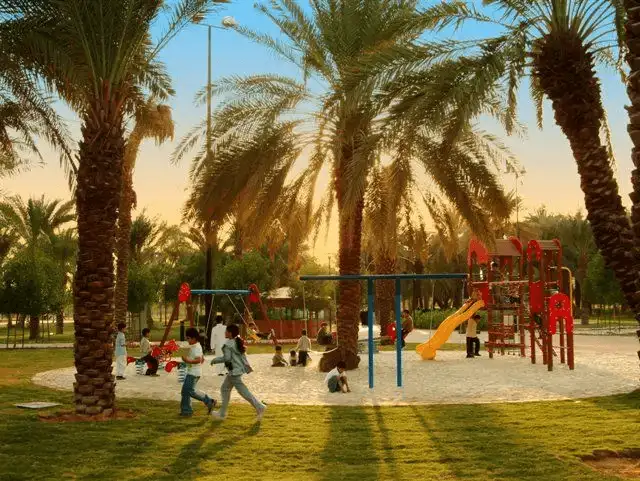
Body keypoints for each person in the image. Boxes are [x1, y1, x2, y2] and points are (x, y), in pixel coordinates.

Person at [210, 324, 267, 422]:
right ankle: (222, 413)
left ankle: (259, 406)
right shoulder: (237, 341)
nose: (225, 333)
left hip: (234, 372)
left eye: (226, 331)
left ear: (230, 333)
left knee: (242, 391)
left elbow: (227, 358)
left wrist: (215, 360)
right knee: (225, 388)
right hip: (237, 370)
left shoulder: (228, 344)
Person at [180, 328, 216, 417]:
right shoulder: (196, 346)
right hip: (192, 372)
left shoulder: (196, 347)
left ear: (194, 338)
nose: (187, 340)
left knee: (190, 391)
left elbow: (199, 360)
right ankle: (186, 411)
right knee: (185, 391)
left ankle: (209, 401)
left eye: (188, 338)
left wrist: (187, 360)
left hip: (193, 374)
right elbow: (202, 359)